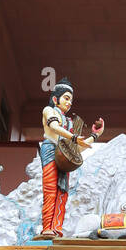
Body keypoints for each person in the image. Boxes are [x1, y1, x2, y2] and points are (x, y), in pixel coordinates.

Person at [39, 79, 103, 238]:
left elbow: (77, 148)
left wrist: (95, 135)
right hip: (51, 150)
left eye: (71, 100)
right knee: (50, 190)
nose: (69, 103)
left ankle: (56, 228)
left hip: (64, 156)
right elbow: (54, 127)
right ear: (55, 99)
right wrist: (74, 138)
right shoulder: (49, 110)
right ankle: (47, 227)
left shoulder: (68, 122)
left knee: (62, 193)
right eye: (66, 98)